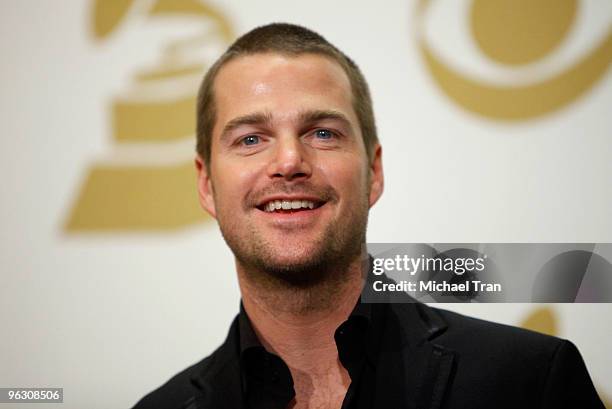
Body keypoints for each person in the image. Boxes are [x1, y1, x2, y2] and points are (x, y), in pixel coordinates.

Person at [132, 23, 604, 409]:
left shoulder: (528, 381)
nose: (290, 161)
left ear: (374, 171)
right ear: (206, 184)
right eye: (251, 139)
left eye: (322, 133)